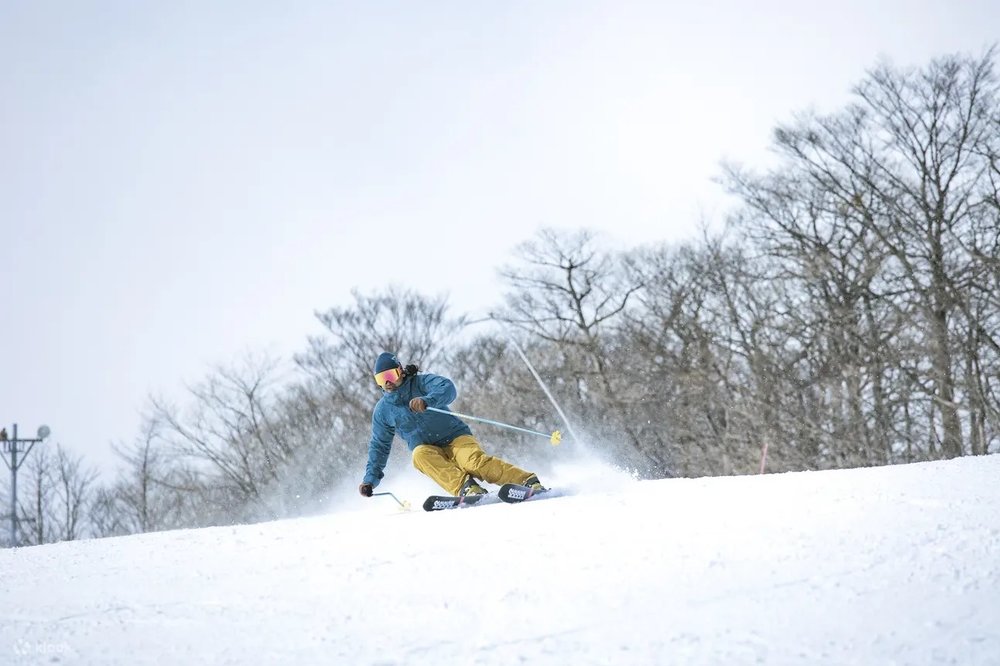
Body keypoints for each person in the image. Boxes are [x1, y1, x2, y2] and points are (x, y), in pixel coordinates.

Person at [358, 352, 544, 499]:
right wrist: (370, 480)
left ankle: (526, 480)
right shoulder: (383, 411)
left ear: (400, 371)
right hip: (429, 449)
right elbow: (379, 446)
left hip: (455, 438)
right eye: (381, 379)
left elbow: (448, 388)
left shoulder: (420, 383)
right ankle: (467, 488)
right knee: (419, 455)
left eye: (390, 375)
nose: (387, 383)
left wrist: (428, 400)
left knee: (473, 463)